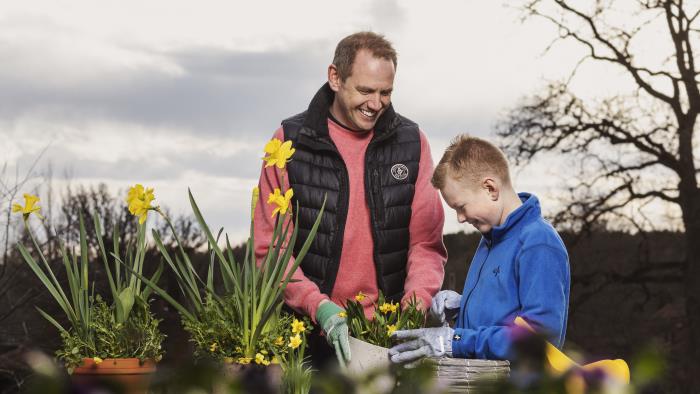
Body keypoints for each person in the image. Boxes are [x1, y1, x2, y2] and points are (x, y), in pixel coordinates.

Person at [253, 31, 447, 368]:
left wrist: (412, 311)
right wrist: (319, 306)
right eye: (365, 90)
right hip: (307, 334)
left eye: (386, 92)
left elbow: (426, 245)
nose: (376, 104)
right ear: (335, 78)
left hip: (387, 340)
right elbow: (270, 251)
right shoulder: (288, 142)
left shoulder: (412, 143)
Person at [388, 134, 570, 363]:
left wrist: (454, 341)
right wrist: (464, 305)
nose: (460, 219)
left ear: (491, 188)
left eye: (461, 207)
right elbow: (505, 313)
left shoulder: (539, 243)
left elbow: (538, 340)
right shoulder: (489, 238)